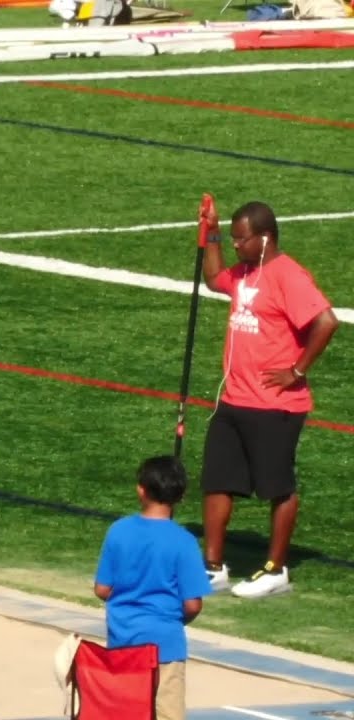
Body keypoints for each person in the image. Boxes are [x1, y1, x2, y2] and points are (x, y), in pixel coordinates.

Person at [198, 199, 338, 599]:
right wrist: (212, 232)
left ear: (266, 238)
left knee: (277, 486)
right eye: (236, 238)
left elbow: (326, 321)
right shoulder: (244, 272)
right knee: (218, 481)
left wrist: (296, 371)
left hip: (276, 404)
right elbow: (212, 278)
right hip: (235, 398)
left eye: (242, 239)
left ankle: (276, 568)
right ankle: (213, 566)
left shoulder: (287, 276)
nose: (237, 246)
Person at [94, 455, 212, 720]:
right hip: (166, 645)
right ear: (180, 497)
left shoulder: (118, 531)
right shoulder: (184, 542)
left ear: (141, 490)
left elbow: (102, 589)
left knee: (126, 712)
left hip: (123, 642)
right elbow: (193, 604)